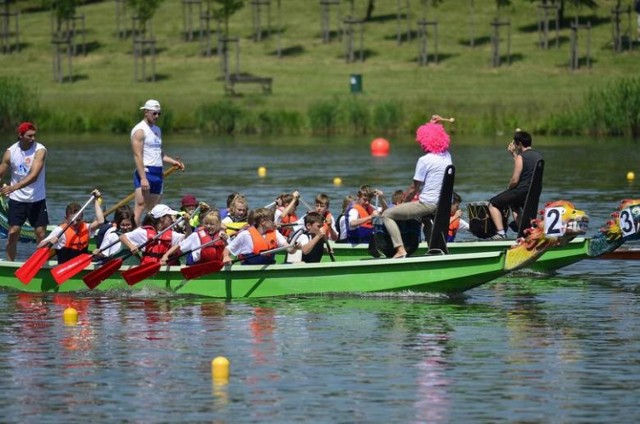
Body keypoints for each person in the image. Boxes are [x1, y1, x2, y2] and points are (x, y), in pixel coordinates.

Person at [381, 115, 453, 258]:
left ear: (425, 141)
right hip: (444, 206)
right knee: (426, 219)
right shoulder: (447, 156)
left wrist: (403, 203)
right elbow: (438, 135)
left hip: (428, 204)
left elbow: (414, 189)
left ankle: (400, 249)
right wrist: (435, 126)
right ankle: (434, 250)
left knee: (387, 215)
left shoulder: (424, 160)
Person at [131, 99, 185, 226]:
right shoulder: (140, 130)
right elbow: (137, 155)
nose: (156, 116)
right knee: (140, 206)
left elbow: (159, 153)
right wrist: (143, 178)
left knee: (154, 209)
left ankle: (150, 233)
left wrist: (174, 162)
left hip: (158, 173)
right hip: (145, 172)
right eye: (154, 113)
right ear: (146, 112)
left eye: (159, 113)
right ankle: (132, 234)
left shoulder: (157, 130)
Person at [0, 122, 48, 261]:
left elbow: (33, 176)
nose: (33, 138)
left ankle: (39, 264)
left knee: (40, 233)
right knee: (13, 232)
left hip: (37, 198)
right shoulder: (11, 152)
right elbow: (1, 171)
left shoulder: (40, 150)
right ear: (20, 135)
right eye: (29, 136)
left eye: (34, 135)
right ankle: (10, 263)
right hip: (17, 200)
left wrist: (12, 187)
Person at [488, 130, 543, 240]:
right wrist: (513, 154)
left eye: (515, 143)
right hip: (534, 192)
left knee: (493, 204)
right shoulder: (539, 156)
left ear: (520, 144)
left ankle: (501, 233)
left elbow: (514, 180)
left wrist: (508, 189)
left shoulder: (521, 156)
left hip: (521, 191)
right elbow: (526, 167)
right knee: (514, 205)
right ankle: (523, 232)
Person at [37, 190, 105, 264]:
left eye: (78, 220)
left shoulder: (87, 228)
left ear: (82, 218)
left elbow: (100, 221)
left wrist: (95, 200)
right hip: (64, 269)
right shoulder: (59, 231)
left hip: (82, 267)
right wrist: (49, 241)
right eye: (72, 220)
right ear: (66, 218)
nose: (75, 223)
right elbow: (39, 247)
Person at [120, 203, 185, 265]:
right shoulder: (143, 232)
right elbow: (123, 237)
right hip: (148, 266)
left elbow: (184, 240)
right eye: (169, 217)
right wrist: (131, 246)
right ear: (162, 218)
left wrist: (166, 255)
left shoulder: (171, 233)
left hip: (165, 266)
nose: (172, 219)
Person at [222, 207, 291, 265]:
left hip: (269, 268)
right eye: (272, 220)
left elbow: (290, 249)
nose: (275, 223)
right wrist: (226, 256)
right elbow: (228, 249)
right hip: (249, 270)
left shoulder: (275, 233)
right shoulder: (245, 235)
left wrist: (294, 247)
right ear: (263, 222)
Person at [161, 210, 227, 265]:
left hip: (218, 265)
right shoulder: (196, 235)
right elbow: (179, 246)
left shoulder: (222, 235)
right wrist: (166, 255)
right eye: (206, 223)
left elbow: (229, 249)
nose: (208, 226)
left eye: (212, 224)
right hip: (199, 265)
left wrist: (225, 241)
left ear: (218, 225)